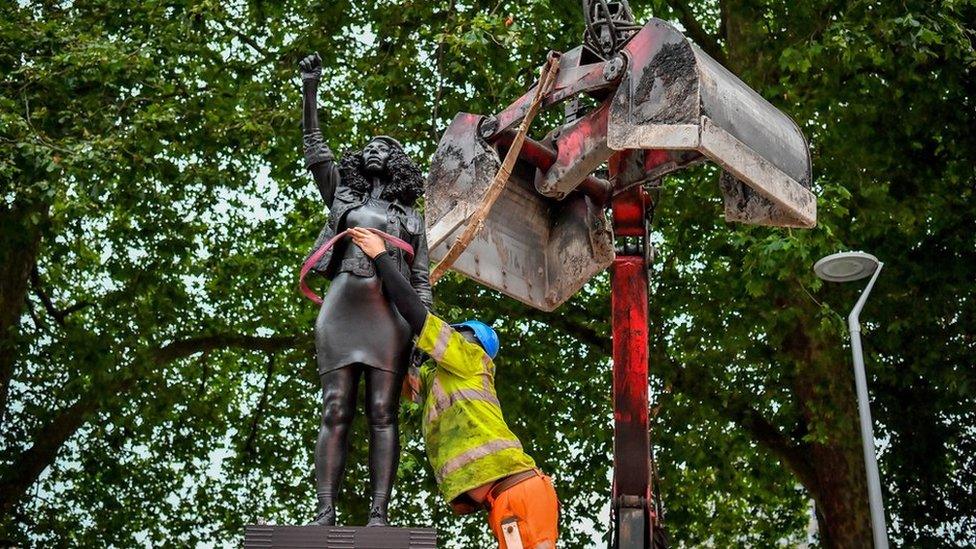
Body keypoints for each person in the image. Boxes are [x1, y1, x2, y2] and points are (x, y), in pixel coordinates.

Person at [349, 227, 560, 549]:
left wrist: (380, 256)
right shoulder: (442, 381)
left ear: (470, 340)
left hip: (519, 491)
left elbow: (417, 316)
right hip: (505, 497)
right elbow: (403, 382)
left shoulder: (472, 359)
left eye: (455, 332)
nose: (446, 336)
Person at [299, 52, 432, 526]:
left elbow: (421, 282)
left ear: (398, 164)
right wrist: (310, 89)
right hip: (341, 305)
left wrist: (424, 339)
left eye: (387, 147)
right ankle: (325, 511)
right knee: (335, 407)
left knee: (382, 412)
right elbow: (316, 151)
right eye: (371, 144)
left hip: (388, 318)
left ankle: (379, 514)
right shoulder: (342, 196)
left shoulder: (413, 219)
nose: (376, 148)